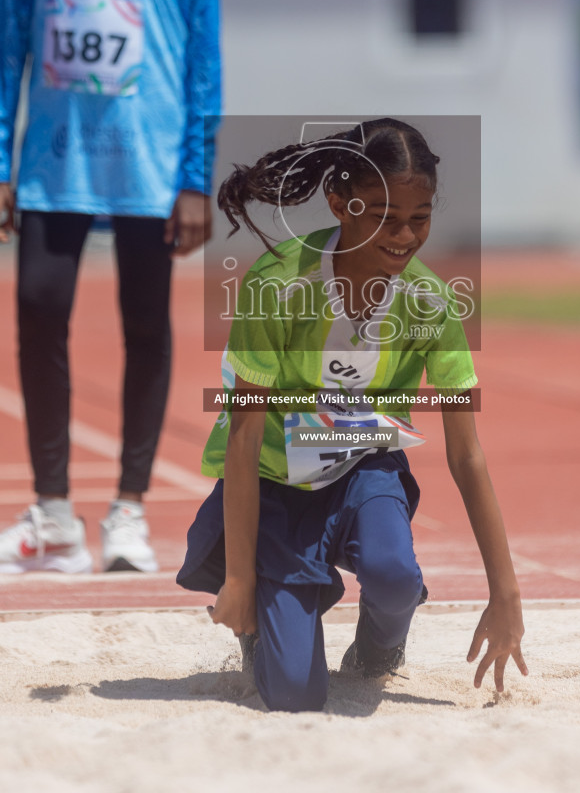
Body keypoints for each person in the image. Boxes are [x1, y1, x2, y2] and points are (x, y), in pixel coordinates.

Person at [177, 118, 527, 712]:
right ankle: (265, 609)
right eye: (384, 219)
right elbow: (243, 437)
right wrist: (237, 579)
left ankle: (375, 653)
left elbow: (466, 453)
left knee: (395, 576)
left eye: (420, 219)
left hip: (366, 474)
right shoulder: (276, 284)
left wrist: (506, 592)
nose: (404, 236)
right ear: (340, 203)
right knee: (292, 695)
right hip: (277, 485)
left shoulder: (432, 305)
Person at [0, 0, 221, 573]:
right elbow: (8, 36)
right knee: (36, 310)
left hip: (149, 154)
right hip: (55, 156)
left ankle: (129, 509)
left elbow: (204, 45)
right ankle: (53, 512)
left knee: (146, 325)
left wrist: (197, 174)